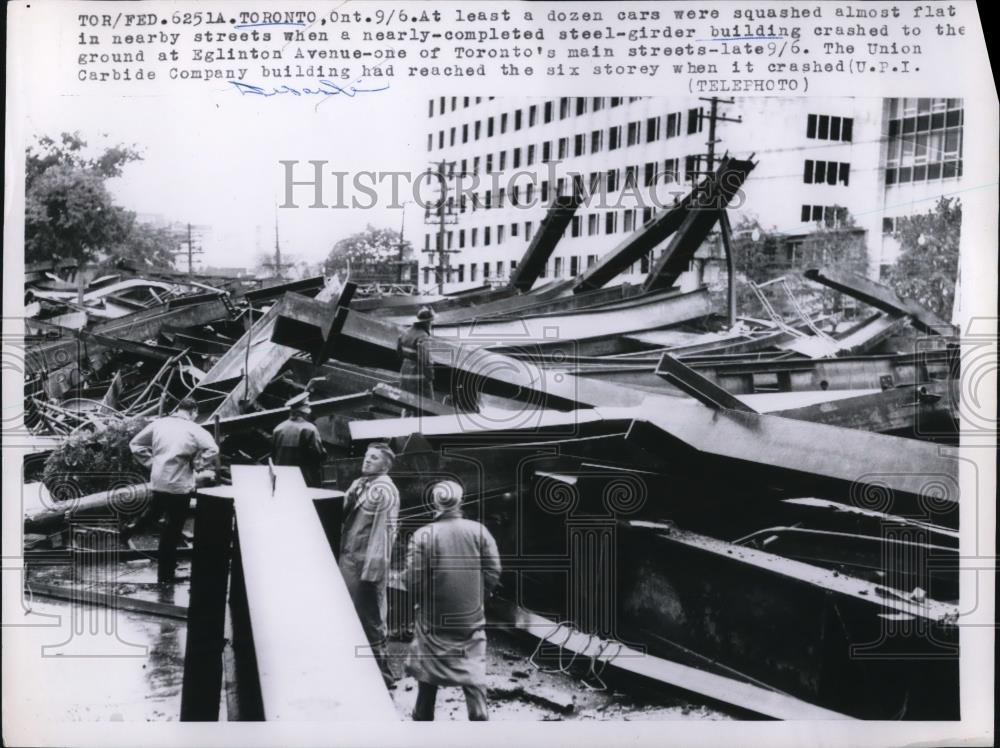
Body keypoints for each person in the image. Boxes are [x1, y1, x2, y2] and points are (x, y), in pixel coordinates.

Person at [404, 480, 502, 721]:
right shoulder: (479, 531)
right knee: (473, 661)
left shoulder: (422, 535)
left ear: (435, 503)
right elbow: (493, 570)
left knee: (428, 664)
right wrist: (481, 595)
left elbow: (412, 580)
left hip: (433, 616)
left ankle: (423, 712)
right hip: (470, 613)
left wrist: (422, 601)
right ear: (460, 501)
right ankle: (478, 711)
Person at [128, 397, 219, 583]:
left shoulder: (159, 423)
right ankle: (166, 574)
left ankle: (129, 530)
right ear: (193, 412)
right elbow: (213, 449)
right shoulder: (195, 429)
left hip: (158, 481)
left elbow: (135, 444)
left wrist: (151, 462)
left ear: (178, 409)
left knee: (155, 513)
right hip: (179, 486)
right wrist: (197, 464)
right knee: (172, 530)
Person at [339, 442, 400, 687]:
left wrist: (371, 575)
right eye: (366, 457)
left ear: (385, 465)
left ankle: (383, 678)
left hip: (365, 567)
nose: (367, 461)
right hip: (352, 561)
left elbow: (384, 533)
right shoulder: (365, 485)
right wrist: (351, 494)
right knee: (354, 617)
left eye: (373, 458)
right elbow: (345, 515)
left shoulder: (385, 490)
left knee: (371, 621)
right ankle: (360, 673)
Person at [271, 392, 326, 487]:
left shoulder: (277, 429)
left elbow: (273, 456)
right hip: (302, 481)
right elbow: (319, 455)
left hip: (281, 480)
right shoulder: (310, 429)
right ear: (304, 412)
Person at [396, 307, 435, 407]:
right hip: (418, 374)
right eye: (431, 322)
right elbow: (426, 361)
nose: (431, 324)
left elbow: (399, 353)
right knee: (425, 405)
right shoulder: (423, 337)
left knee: (407, 403)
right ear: (427, 322)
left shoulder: (405, 332)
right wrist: (430, 376)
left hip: (404, 371)